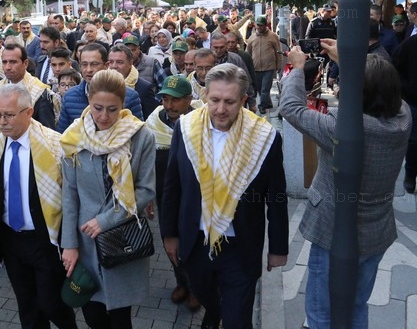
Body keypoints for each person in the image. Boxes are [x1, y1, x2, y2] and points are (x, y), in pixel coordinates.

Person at [280, 43, 411, 328]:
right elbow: (381, 88)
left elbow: (290, 107)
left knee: (321, 313)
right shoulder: (403, 119)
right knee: (355, 306)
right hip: (376, 233)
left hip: (333, 233)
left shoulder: (342, 128)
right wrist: (352, 63)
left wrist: (298, 68)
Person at [160, 63, 288, 329]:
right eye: (214, 99)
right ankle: (213, 313)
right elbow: (172, 186)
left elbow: (276, 195)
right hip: (196, 243)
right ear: (204, 95)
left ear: (243, 99)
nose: (220, 109)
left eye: (229, 102)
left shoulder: (265, 138)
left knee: (237, 320)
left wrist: (278, 247)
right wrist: (169, 234)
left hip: (240, 247)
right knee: (208, 297)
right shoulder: (185, 129)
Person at [60, 69, 156, 329]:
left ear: (123, 105)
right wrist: (69, 244)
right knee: (92, 315)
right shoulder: (73, 137)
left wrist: (105, 220)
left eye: (112, 109)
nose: (104, 116)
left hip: (122, 237)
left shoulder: (140, 136)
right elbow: (69, 195)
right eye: (97, 108)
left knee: (120, 316)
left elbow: (146, 190)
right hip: (85, 241)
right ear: (88, 101)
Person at [0, 84, 77, 329]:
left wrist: (70, 242)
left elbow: (70, 197)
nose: (2, 121)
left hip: (46, 239)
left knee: (52, 304)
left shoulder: (56, 146)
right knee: (27, 306)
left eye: (8, 115)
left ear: (29, 112)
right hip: (12, 240)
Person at [145, 75, 200, 312]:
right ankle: (182, 282)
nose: (169, 106)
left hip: (195, 195)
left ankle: (198, 287)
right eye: (166, 99)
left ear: (189, 100)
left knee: (195, 240)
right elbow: (144, 160)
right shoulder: (152, 124)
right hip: (165, 195)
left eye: (175, 100)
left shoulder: (200, 122)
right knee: (170, 238)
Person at [57, 43, 143, 132]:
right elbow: (62, 135)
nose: (88, 69)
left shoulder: (129, 96)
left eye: (94, 64)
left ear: (106, 65)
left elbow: (138, 134)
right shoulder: (69, 96)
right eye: (84, 64)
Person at [393, 5, 417, 201]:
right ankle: (410, 174)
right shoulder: (410, 45)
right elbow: (396, 67)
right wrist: (405, 89)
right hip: (416, 103)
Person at [0, 42, 60, 130]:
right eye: (4, 62)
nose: (7, 67)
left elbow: (46, 132)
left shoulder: (40, 93)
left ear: (25, 63)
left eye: (13, 62)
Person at [108, 44, 158, 120]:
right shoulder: (101, 84)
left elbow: (151, 121)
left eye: (119, 62)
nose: (114, 66)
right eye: (111, 62)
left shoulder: (144, 88)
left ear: (130, 63)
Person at [246, 16, 282, 114]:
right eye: (258, 25)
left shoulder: (273, 36)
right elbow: (248, 53)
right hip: (255, 68)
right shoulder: (252, 38)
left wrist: (279, 65)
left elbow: (278, 51)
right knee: (259, 89)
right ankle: (268, 103)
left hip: (269, 67)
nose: (260, 27)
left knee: (265, 88)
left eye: (262, 25)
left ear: (266, 25)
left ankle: (262, 106)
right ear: (255, 25)